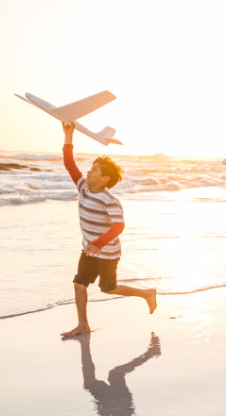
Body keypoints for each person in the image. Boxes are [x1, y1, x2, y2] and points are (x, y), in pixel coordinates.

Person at [61, 123, 157, 338]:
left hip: (107, 252)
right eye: (91, 168)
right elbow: (69, 164)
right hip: (88, 249)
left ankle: (146, 293)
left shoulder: (109, 200)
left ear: (104, 178)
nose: (88, 171)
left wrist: (99, 242)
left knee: (108, 288)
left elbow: (119, 226)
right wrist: (69, 135)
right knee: (79, 284)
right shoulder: (83, 187)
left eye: (94, 170)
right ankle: (82, 324)